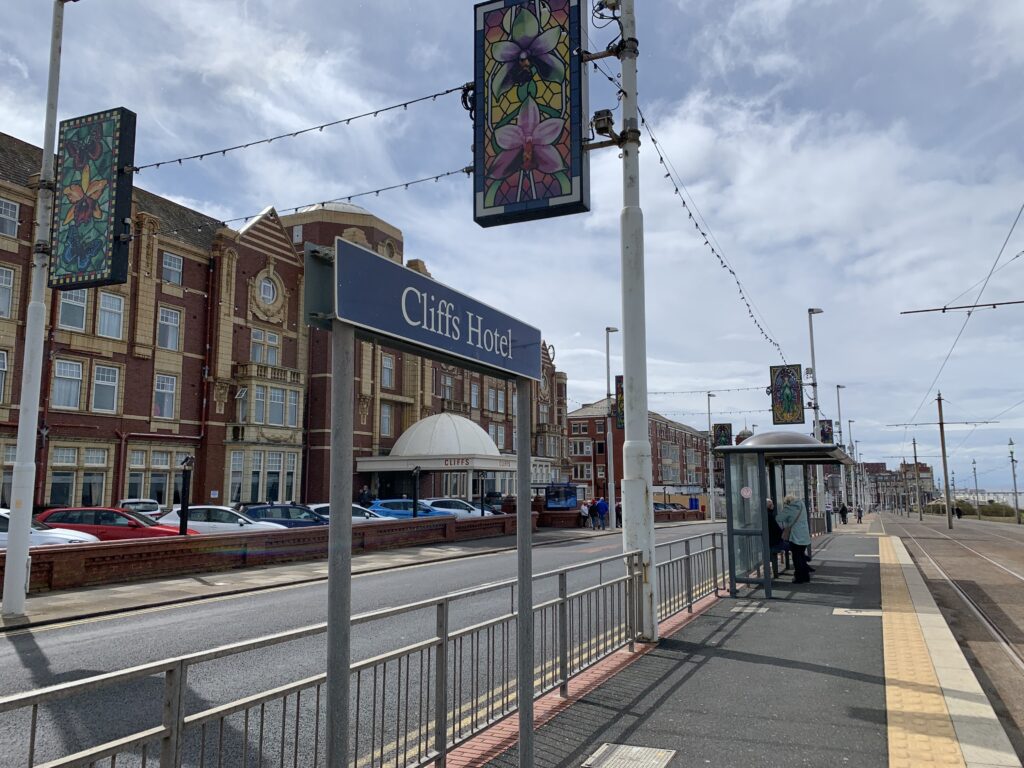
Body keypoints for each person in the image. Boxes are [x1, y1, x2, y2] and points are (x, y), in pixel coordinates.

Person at [775, 494, 811, 583]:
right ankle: (806, 576)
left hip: (796, 537)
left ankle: (799, 577)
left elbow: (779, 518)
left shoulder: (789, 508)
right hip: (805, 536)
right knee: (801, 556)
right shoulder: (802, 505)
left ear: (787, 502)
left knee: (796, 558)